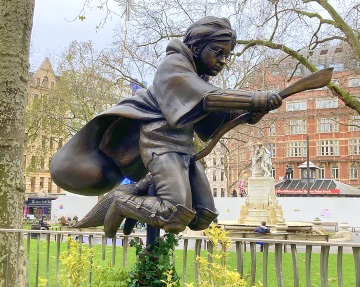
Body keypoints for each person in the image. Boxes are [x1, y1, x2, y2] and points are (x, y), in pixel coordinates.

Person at [50, 16, 282, 238]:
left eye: (227, 56)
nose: (222, 61)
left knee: (204, 215)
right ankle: (122, 201)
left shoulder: (199, 77)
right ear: (197, 46)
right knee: (174, 212)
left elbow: (210, 121)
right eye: (218, 52)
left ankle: (142, 188)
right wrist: (254, 98)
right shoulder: (173, 66)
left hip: (184, 149)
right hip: (160, 144)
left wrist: (249, 114)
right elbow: (207, 99)